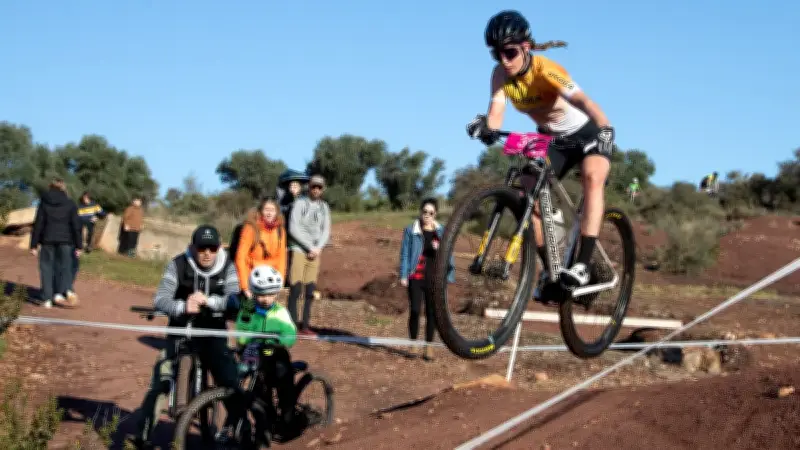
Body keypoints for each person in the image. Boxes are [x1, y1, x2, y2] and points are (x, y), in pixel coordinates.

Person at [466, 10, 615, 291]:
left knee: (592, 178)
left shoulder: (547, 70)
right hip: (552, 139)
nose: (503, 61)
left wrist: (606, 127)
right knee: (527, 194)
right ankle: (552, 271)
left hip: (586, 133)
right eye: (496, 54)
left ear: (525, 47)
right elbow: (496, 113)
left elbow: (582, 99)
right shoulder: (500, 75)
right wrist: (486, 128)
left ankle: (582, 264)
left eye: (509, 53)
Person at [132, 225, 241, 449]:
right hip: (182, 333)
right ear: (193, 247)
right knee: (161, 381)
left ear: (219, 247)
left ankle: (243, 430)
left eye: (213, 247)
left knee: (231, 381)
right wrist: (183, 306)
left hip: (214, 334)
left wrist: (210, 302)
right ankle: (142, 437)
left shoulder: (228, 266)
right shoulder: (177, 264)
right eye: (202, 248)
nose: (207, 253)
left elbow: (234, 300)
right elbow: (160, 299)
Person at [232, 264, 298, 428]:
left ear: (276, 293)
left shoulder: (280, 312)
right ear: (254, 293)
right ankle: (266, 421)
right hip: (254, 354)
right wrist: (245, 340)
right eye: (261, 294)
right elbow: (241, 328)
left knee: (284, 383)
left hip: (275, 354)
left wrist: (279, 341)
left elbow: (290, 333)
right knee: (259, 390)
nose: (265, 298)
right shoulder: (247, 310)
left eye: (270, 294)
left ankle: (288, 417)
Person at [398, 198, 455, 361]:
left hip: (433, 278)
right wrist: (403, 275)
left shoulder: (441, 231)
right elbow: (405, 253)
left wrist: (448, 275)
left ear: (435, 214)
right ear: (420, 212)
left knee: (432, 313)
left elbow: (448, 254)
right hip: (415, 276)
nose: (427, 215)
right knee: (415, 310)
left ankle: (429, 347)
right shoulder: (411, 230)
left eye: (431, 213)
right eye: (425, 212)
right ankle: (413, 344)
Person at [286, 174, 331, 336]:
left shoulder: (324, 207)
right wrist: (308, 246)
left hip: (315, 252)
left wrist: (318, 248)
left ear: (323, 189)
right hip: (299, 249)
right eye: (314, 187)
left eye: (319, 187)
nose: (316, 190)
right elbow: (293, 228)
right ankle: (291, 324)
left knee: (310, 289)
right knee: (295, 288)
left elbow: (326, 230)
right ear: (309, 188)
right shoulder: (299, 203)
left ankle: (305, 325)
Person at [29, 177, 82, 308]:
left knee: (46, 268)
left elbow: (38, 224)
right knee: (64, 267)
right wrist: (79, 245)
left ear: (50, 187)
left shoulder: (44, 202)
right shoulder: (70, 203)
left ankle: (47, 299)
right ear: (63, 188)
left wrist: (34, 244)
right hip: (66, 240)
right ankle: (63, 291)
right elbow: (76, 226)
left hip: (47, 240)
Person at [234, 197, 288, 297]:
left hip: (270, 281)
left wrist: (279, 284)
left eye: (272, 210)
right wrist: (245, 287)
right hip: (252, 279)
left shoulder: (281, 231)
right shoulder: (250, 228)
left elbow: (282, 259)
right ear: (260, 211)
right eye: (266, 209)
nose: (269, 213)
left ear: (277, 212)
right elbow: (240, 258)